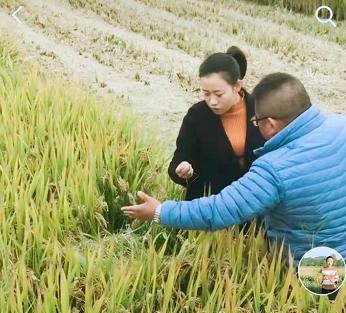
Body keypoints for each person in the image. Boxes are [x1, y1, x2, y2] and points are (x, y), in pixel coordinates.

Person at [122, 73, 346, 265]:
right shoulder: (341, 124)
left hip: (315, 266)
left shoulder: (274, 168)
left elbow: (219, 211)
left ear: (270, 123)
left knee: (322, 310)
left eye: (256, 122)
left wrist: (160, 212)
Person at [168, 46, 265, 201]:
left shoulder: (262, 110)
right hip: (208, 209)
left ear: (237, 86)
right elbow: (177, 163)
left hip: (254, 207)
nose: (212, 102)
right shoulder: (197, 116)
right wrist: (183, 171)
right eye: (206, 94)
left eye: (219, 94)